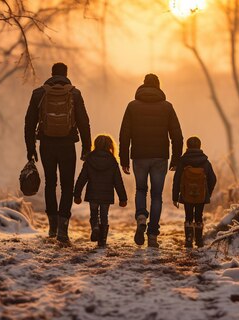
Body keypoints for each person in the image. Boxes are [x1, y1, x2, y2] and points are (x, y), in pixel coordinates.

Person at [24, 62, 92, 244]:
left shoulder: (39, 93)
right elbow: (84, 122)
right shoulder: (74, 94)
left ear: (52, 73)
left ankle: (52, 226)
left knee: (50, 184)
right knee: (67, 185)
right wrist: (87, 148)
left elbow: (29, 123)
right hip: (68, 145)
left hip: (46, 144)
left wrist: (30, 149)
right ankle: (63, 229)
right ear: (66, 73)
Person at [119, 74, 183, 248]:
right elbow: (177, 136)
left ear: (143, 85)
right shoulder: (167, 107)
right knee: (156, 195)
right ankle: (153, 235)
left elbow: (124, 135)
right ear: (158, 87)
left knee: (140, 189)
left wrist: (123, 158)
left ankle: (141, 217)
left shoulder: (132, 106)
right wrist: (176, 159)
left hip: (139, 155)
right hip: (160, 157)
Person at [74, 134, 128, 247]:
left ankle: (95, 227)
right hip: (106, 195)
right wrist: (123, 198)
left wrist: (77, 194)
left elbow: (82, 178)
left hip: (92, 193)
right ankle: (102, 240)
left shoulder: (89, 159)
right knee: (104, 216)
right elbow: (118, 181)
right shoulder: (113, 162)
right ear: (110, 146)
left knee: (94, 214)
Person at [172, 136, 217, 248]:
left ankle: (188, 240)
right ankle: (199, 240)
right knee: (199, 215)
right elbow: (213, 179)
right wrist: (207, 193)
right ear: (200, 146)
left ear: (187, 146)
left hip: (186, 194)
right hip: (201, 195)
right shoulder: (205, 162)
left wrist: (175, 196)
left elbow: (176, 179)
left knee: (188, 216)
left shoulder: (182, 161)